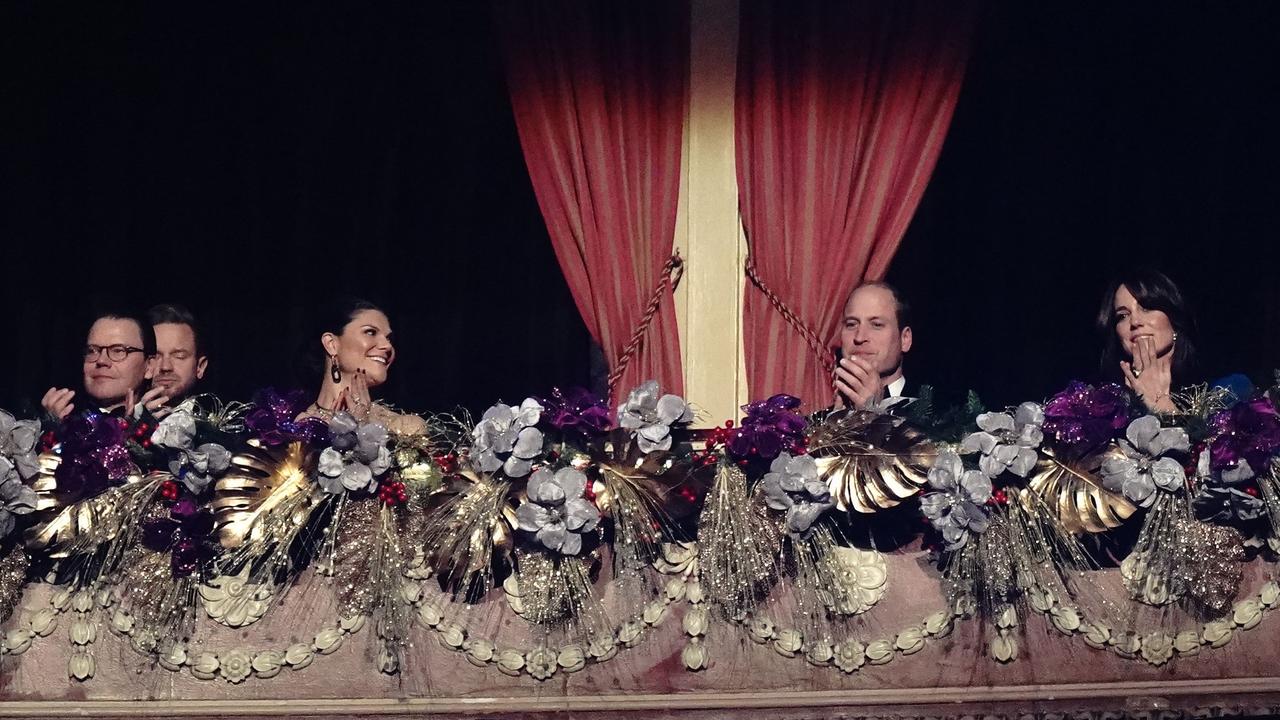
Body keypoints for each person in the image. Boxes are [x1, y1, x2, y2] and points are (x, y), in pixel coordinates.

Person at [298, 297, 426, 435]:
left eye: (389, 338)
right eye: (370, 332)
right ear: (331, 344)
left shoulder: (407, 427)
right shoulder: (301, 427)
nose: (388, 346)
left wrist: (363, 428)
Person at [1096, 268, 1198, 414]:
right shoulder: (1103, 406)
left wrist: (1162, 405)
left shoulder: (1224, 390)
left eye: (1147, 308)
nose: (1135, 322)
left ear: (1174, 319)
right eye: (1123, 316)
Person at [41, 308, 170, 421]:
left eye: (118, 351)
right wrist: (51, 434)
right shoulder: (58, 424)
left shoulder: (170, 432)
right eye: (92, 351)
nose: (102, 361)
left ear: (149, 367)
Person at [832, 281, 915, 410]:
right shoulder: (814, 424)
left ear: (905, 339)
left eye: (876, 325)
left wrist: (870, 415)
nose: (859, 337)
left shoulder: (942, 420)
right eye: (851, 324)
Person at [148, 303, 209, 404]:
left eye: (179, 356)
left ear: (200, 366)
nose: (165, 367)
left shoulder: (228, 418)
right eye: (155, 356)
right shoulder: (119, 418)